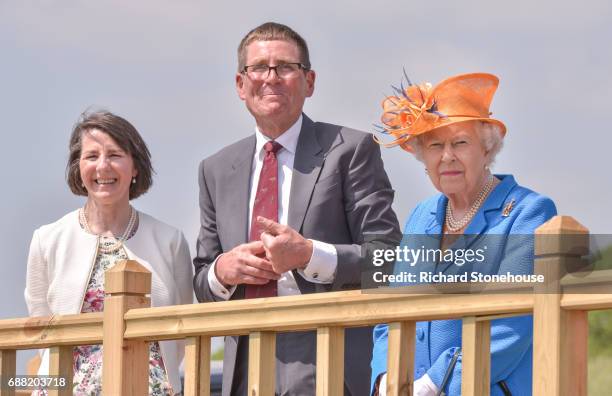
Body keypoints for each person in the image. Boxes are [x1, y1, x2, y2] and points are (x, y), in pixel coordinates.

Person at [193, 22, 402, 396]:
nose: (271, 78)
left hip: (326, 357)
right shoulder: (216, 170)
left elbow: (388, 258)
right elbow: (202, 279)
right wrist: (222, 272)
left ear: (310, 82)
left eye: (285, 67)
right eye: (259, 68)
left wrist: (309, 254)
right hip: (244, 366)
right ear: (241, 85)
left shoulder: (350, 150)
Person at [370, 73, 557, 395]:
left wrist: (434, 384)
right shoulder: (420, 216)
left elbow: (510, 324)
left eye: (460, 142)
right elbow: (391, 312)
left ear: (487, 149)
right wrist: (386, 378)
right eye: (435, 145)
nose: (447, 157)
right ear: (422, 157)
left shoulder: (529, 212)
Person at [24, 110, 193, 395]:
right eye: (91, 156)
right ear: (78, 167)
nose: (103, 167)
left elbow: (179, 332)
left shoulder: (170, 241)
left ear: (135, 167)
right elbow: (42, 330)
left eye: (114, 155)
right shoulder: (47, 240)